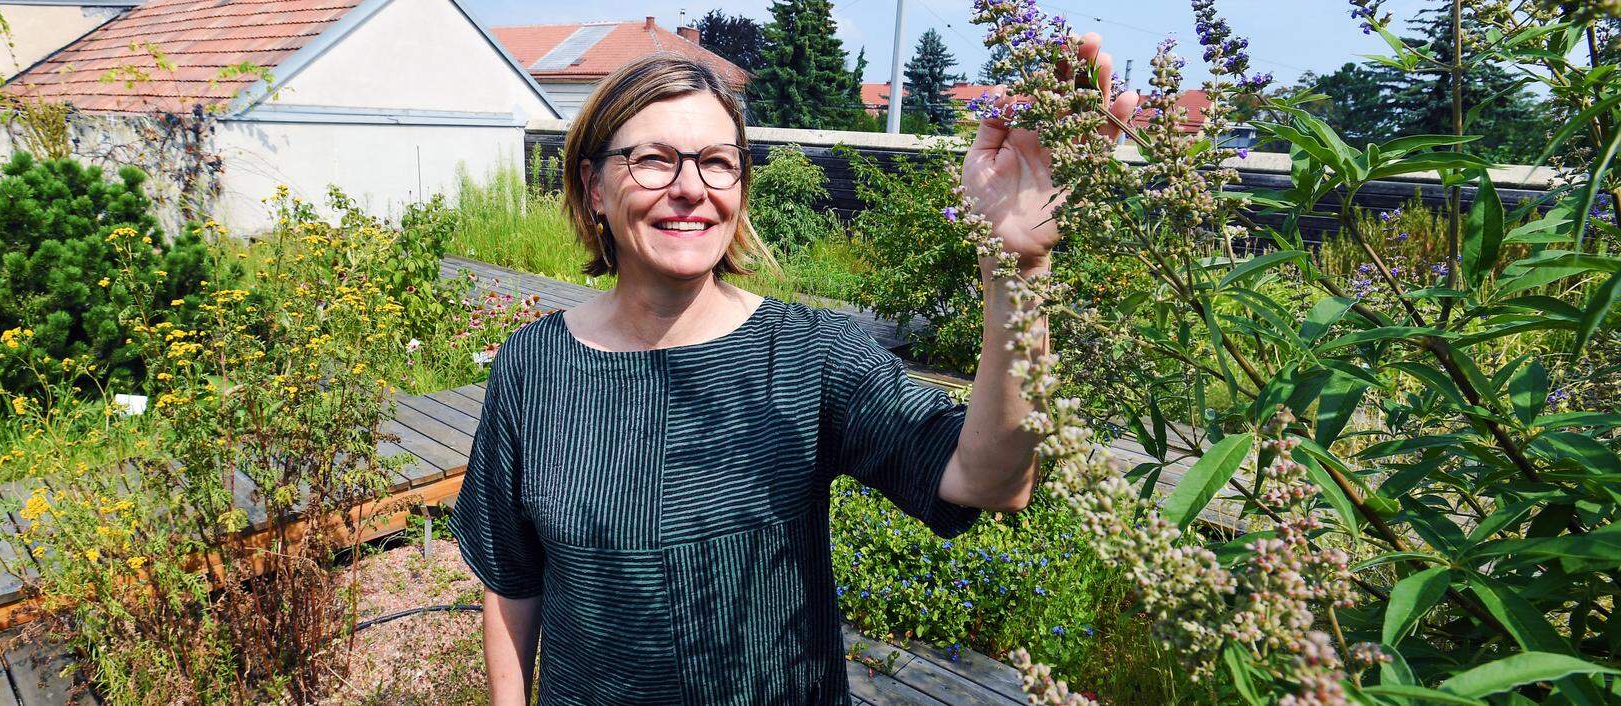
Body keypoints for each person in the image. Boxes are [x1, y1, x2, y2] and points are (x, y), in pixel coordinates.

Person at [448, 36, 1139, 705]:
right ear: (593, 188)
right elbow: (512, 579)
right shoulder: (533, 368)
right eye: (653, 159)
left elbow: (990, 479)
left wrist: (1016, 268)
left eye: (717, 162)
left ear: (741, 187)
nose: (690, 188)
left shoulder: (809, 356)